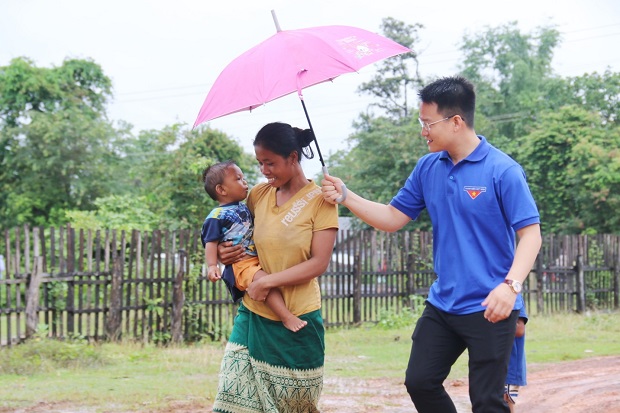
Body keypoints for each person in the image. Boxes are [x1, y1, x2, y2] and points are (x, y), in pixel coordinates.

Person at [322, 75, 542, 413]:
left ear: (456, 122)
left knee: (487, 401)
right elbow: (393, 217)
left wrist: (510, 287)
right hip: (443, 304)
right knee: (420, 381)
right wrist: (347, 196)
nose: (423, 131)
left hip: (491, 306)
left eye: (428, 123)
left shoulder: (503, 170)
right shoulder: (428, 167)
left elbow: (531, 234)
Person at [212, 122, 339, 413]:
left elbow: (318, 263)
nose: (264, 171)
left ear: (293, 158)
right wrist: (222, 251)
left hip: (298, 316)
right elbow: (234, 232)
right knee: (231, 401)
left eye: (270, 163)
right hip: (253, 313)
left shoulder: (322, 201)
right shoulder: (259, 195)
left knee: (295, 407)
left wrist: (268, 282)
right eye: (260, 163)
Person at [200, 160, 307, 332]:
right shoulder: (217, 215)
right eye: (238, 179)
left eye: (243, 177)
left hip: (255, 259)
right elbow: (210, 242)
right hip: (241, 264)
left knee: (267, 282)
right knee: (265, 283)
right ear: (221, 190)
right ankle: (287, 317)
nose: (245, 182)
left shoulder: (244, 206)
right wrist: (213, 265)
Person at [505, 306, 528, 413]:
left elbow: (519, 329)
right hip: (494, 363)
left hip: (509, 365)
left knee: (505, 403)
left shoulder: (512, 295)